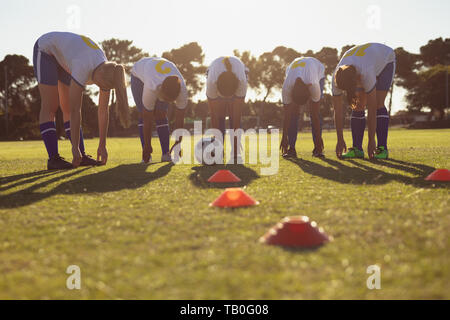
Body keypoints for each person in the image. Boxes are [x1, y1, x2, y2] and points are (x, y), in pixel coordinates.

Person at [33, 31, 129, 170]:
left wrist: (102, 145)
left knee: (65, 106)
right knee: (51, 105)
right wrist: (74, 148)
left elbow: (103, 111)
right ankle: (53, 159)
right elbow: (75, 110)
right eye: (101, 85)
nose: (101, 88)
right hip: (46, 50)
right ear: (101, 74)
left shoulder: (109, 72)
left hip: (66, 57)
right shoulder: (82, 66)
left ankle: (82, 156)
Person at [332, 43, 396, 159]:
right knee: (358, 105)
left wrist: (371, 141)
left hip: (385, 59)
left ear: (358, 77)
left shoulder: (366, 72)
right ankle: (357, 149)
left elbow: (371, 109)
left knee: (378, 103)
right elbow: (337, 110)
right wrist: (339, 139)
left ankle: (382, 148)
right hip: (367, 59)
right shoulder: (337, 76)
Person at [131, 57, 187, 163]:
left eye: (169, 100)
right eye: (165, 99)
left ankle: (166, 154)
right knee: (143, 113)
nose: (166, 101)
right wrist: (148, 146)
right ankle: (146, 154)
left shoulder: (182, 90)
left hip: (154, 69)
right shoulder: (152, 86)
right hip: (138, 75)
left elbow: (180, 118)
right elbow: (147, 117)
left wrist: (178, 143)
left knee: (161, 113)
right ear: (160, 88)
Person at [281, 57, 326, 158]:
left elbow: (314, 115)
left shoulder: (313, 85)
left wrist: (319, 139)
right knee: (293, 114)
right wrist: (284, 138)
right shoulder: (287, 87)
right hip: (295, 68)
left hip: (317, 69)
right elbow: (287, 115)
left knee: (314, 112)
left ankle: (317, 149)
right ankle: (291, 149)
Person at [206, 56, 248, 163]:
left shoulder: (242, 82)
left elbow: (237, 119)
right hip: (214, 73)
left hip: (239, 74)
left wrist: (235, 153)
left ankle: (235, 151)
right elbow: (213, 116)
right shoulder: (212, 83)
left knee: (234, 116)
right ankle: (220, 149)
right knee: (219, 116)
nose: (227, 100)